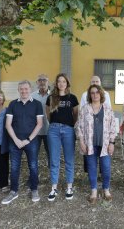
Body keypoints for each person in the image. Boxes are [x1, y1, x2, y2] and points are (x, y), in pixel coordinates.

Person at [2, 80, 43, 204]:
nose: (24, 91)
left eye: (26, 88)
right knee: (14, 167)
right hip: (15, 141)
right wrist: (16, 140)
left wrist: (27, 140)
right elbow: (8, 125)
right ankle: (13, 191)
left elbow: (39, 124)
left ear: (30, 89)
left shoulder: (37, 104)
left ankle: (34, 189)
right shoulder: (13, 104)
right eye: (21, 89)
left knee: (33, 166)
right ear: (18, 90)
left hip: (31, 141)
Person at [75, 84, 117, 204]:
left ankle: (106, 189)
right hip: (89, 145)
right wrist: (82, 142)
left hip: (105, 144)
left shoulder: (107, 108)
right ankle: (94, 191)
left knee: (106, 168)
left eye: (97, 92)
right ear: (89, 95)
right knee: (92, 168)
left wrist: (112, 142)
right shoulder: (85, 109)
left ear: (101, 94)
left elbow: (113, 126)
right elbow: (79, 127)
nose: (95, 95)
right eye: (92, 93)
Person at [46, 73, 79, 201]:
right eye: (59, 81)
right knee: (54, 160)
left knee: (69, 159)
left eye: (64, 81)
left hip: (68, 130)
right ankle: (53, 187)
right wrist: (56, 124)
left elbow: (75, 114)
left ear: (67, 83)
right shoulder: (51, 98)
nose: (61, 84)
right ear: (56, 83)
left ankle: (69, 186)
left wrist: (69, 125)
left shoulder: (72, 98)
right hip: (53, 130)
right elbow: (48, 115)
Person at [31, 74, 51, 168]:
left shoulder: (53, 95)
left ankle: (53, 179)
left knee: (51, 155)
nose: (42, 82)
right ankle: (33, 178)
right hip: (35, 131)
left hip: (50, 130)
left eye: (44, 80)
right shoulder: (32, 96)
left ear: (48, 82)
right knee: (33, 155)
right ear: (36, 83)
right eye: (40, 80)